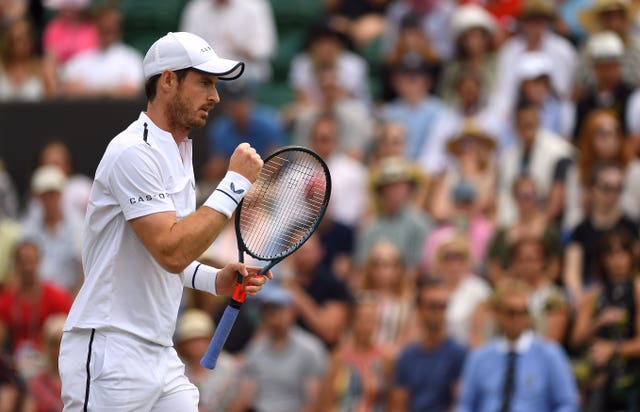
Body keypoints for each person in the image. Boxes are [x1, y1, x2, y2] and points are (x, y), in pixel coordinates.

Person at [57, 32, 268, 412]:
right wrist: (234, 184)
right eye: (204, 82)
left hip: (159, 351)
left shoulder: (178, 151)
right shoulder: (133, 152)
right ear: (168, 80)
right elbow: (170, 251)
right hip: (110, 351)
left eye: (216, 85)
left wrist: (212, 278)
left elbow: (167, 251)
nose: (216, 97)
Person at [457, 280, 579, 412]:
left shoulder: (550, 355)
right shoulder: (479, 357)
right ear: (498, 314)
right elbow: (465, 405)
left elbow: (567, 404)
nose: (517, 319)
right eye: (511, 312)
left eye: (523, 312)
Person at [237, 283, 328, 412]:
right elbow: (245, 398)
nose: (273, 318)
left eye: (278, 310)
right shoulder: (254, 350)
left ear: (291, 311)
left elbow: (314, 403)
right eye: (268, 312)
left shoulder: (310, 349)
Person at [389, 279, 467, 412]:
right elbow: (398, 404)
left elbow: (459, 403)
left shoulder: (459, 354)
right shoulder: (407, 357)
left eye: (443, 306)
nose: (438, 312)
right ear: (419, 310)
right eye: (432, 306)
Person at [60, 5, 145, 98]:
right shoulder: (80, 59)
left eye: (111, 28)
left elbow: (132, 89)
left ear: (119, 29)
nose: (107, 31)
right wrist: (108, 91)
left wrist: (90, 91)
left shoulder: (132, 58)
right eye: (103, 27)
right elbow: (68, 87)